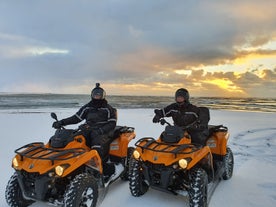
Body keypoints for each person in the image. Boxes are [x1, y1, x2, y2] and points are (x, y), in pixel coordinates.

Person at [52, 83, 117, 177]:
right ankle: (70, 163)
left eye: (99, 94)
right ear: (92, 95)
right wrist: (61, 122)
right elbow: (76, 118)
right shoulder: (87, 107)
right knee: (74, 139)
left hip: (102, 131)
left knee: (96, 145)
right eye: (95, 94)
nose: (97, 96)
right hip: (88, 129)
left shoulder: (108, 109)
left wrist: (100, 131)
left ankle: (101, 169)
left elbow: (112, 123)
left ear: (103, 95)